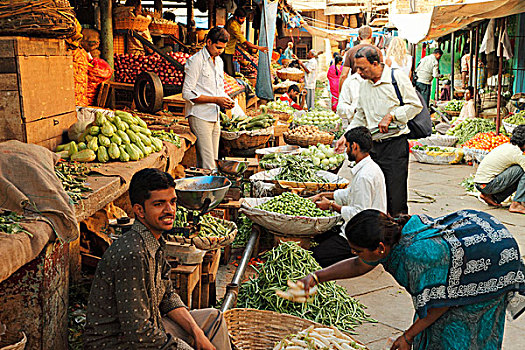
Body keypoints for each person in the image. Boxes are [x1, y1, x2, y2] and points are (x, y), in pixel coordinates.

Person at [297, 209, 525, 350]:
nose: (355, 254)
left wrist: (407, 336)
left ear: (379, 249)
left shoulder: (416, 256)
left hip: (492, 260)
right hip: (465, 247)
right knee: (430, 325)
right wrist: (317, 277)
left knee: (461, 332)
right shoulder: (389, 235)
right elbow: (360, 264)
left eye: (357, 249)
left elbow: (440, 305)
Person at [85, 168, 232, 350]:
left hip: (149, 326)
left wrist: (197, 333)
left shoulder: (155, 242)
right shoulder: (133, 255)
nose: (169, 210)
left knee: (213, 319)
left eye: (172, 202)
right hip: (117, 342)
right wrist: (185, 347)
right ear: (139, 210)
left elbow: (167, 296)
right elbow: (139, 334)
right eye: (159, 204)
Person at [336, 46, 422, 216]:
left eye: (363, 68)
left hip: (394, 146)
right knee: (374, 193)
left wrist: (392, 115)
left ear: (375, 64)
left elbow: (415, 105)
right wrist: (346, 136)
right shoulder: (364, 85)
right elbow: (360, 115)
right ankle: (378, 232)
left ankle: (399, 232)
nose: (359, 72)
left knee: (395, 197)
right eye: (357, 68)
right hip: (373, 147)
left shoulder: (396, 78)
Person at [309, 127, 387, 267]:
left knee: (314, 256)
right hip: (363, 227)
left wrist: (331, 205)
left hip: (363, 236)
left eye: (347, 146)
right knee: (316, 238)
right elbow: (350, 193)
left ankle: (356, 254)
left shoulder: (365, 175)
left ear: (354, 146)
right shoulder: (368, 167)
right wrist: (323, 194)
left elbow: (359, 213)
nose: (346, 150)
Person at [182, 27, 234, 170]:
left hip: (214, 116)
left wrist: (227, 100)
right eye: (218, 47)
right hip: (199, 116)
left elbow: (219, 89)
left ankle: (207, 190)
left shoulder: (219, 62)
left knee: (213, 160)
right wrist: (216, 100)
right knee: (208, 164)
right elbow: (187, 93)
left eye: (223, 48)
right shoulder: (195, 61)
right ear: (208, 42)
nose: (220, 51)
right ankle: (210, 192)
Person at [474, 124, 525, 214]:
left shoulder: (509, 146)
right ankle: (516, 204)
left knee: (517, 172)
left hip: (482, 184)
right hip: (487, 185)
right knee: (520, 171)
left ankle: (492, 197)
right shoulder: (518, 153)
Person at [222, 8, 268, 76]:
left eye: (244, 18)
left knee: (230, 71)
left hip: (230, 50)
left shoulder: (233, 21)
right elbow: (245, 42)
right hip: (226, 51)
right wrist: (259, 48)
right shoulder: (233, 26)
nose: (243, 20)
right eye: (241, 18)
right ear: (236, 17)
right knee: (229, 73)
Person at [339, 26, 382, 94]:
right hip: (373, 89)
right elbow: (381, 72)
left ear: (359, 37)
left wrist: (341, 94)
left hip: (356, 89)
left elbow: (344, 75)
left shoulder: (351, 51)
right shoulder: (377, 51)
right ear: (371, 36)